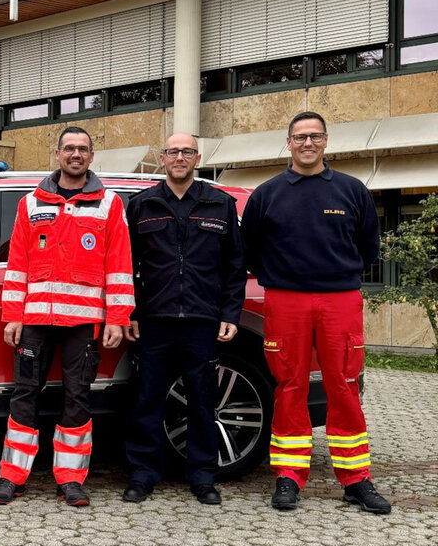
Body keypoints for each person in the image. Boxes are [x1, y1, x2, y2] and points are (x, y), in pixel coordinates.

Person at [242, 111, 391, 514]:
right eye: (299, 137)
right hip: (285, 300)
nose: (307, 143)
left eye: (315, 136)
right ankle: (288, 477)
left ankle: (356, 480)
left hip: (339, 299)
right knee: (289, 385)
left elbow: (368, 248)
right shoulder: (267, 194)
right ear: (288, 143)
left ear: (326, 142)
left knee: (342, 384)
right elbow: (249, 249)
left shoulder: (351, 190)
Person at [0, 126, 135, 507]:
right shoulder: (31, 204)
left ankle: (71, 479)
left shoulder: (109, 204)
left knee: (77, 398)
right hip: (35, 321)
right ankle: (11, 477)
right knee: (24, 395)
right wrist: (13, 316)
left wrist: (118, 318)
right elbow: (17, 266)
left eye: (82, 149)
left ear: (91, 155)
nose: (75, 154)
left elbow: (119, 268)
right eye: (69, 148)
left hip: (83, 325)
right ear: (57, 154)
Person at [120, 133, 245, 506]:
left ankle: (203, 476)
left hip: (202, 320)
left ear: (197, 157)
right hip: (154, 320)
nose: (179, 157)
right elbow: (125, 267)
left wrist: (230, 314)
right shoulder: (142, 205)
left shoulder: (220, 204)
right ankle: (143, 474)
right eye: (173, 151)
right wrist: (130, 312)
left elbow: (235, 266)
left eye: (186, 152)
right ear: (162, 158)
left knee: (203, 400)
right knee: (147, 399)